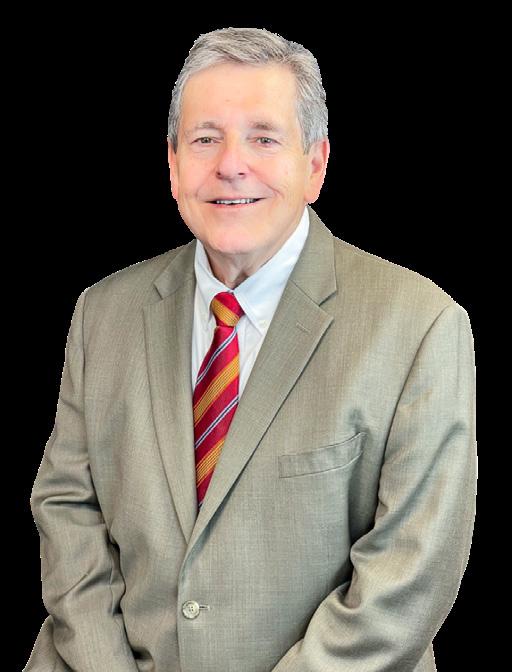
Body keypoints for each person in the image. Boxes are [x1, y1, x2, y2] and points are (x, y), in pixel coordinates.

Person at [25, 27, 476, 672]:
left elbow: (408, 577)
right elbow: (68, 508)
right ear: (172, 164)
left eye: (263, 138)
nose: (230, 165)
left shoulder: (419, 326)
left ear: (315, 164)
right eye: (205, 139)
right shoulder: (103, 314)